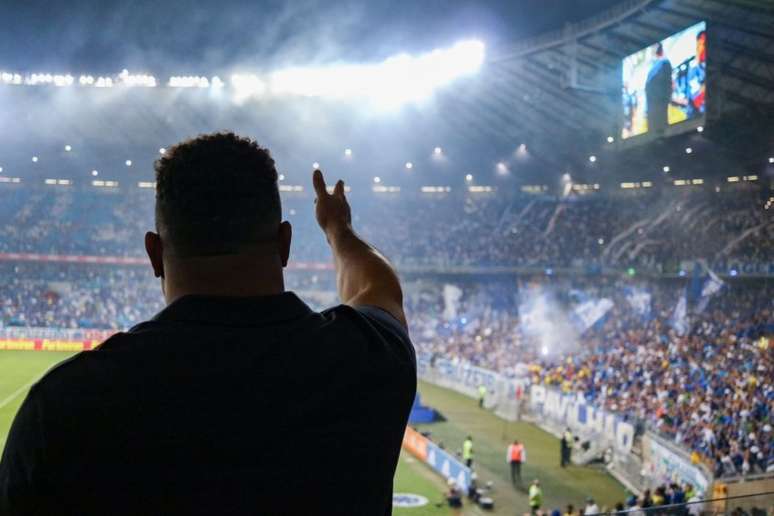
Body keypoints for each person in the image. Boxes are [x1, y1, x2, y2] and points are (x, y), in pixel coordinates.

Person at [0, 133, 416, 515]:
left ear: (154, 253)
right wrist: (337, 230)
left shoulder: (62, 405)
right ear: (285, 243)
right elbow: (380, 288)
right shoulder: (368, 358)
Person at [645, 42, 673, 135]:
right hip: (656, 105)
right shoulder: (660, 64)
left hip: (657, 106)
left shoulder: (661, 64)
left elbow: (667, 84)